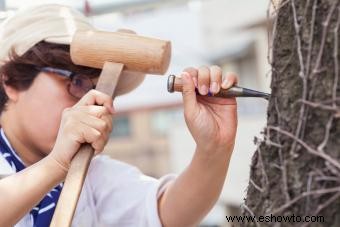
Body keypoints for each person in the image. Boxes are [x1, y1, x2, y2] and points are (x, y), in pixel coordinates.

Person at [0, 4, 238, 227]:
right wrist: (56, 165)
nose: (89, 101)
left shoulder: (90, 172)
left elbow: (166, 213)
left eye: (96, 89)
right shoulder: (62, 163)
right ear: (10, 79)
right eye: (76, 81)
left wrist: (213, 148)